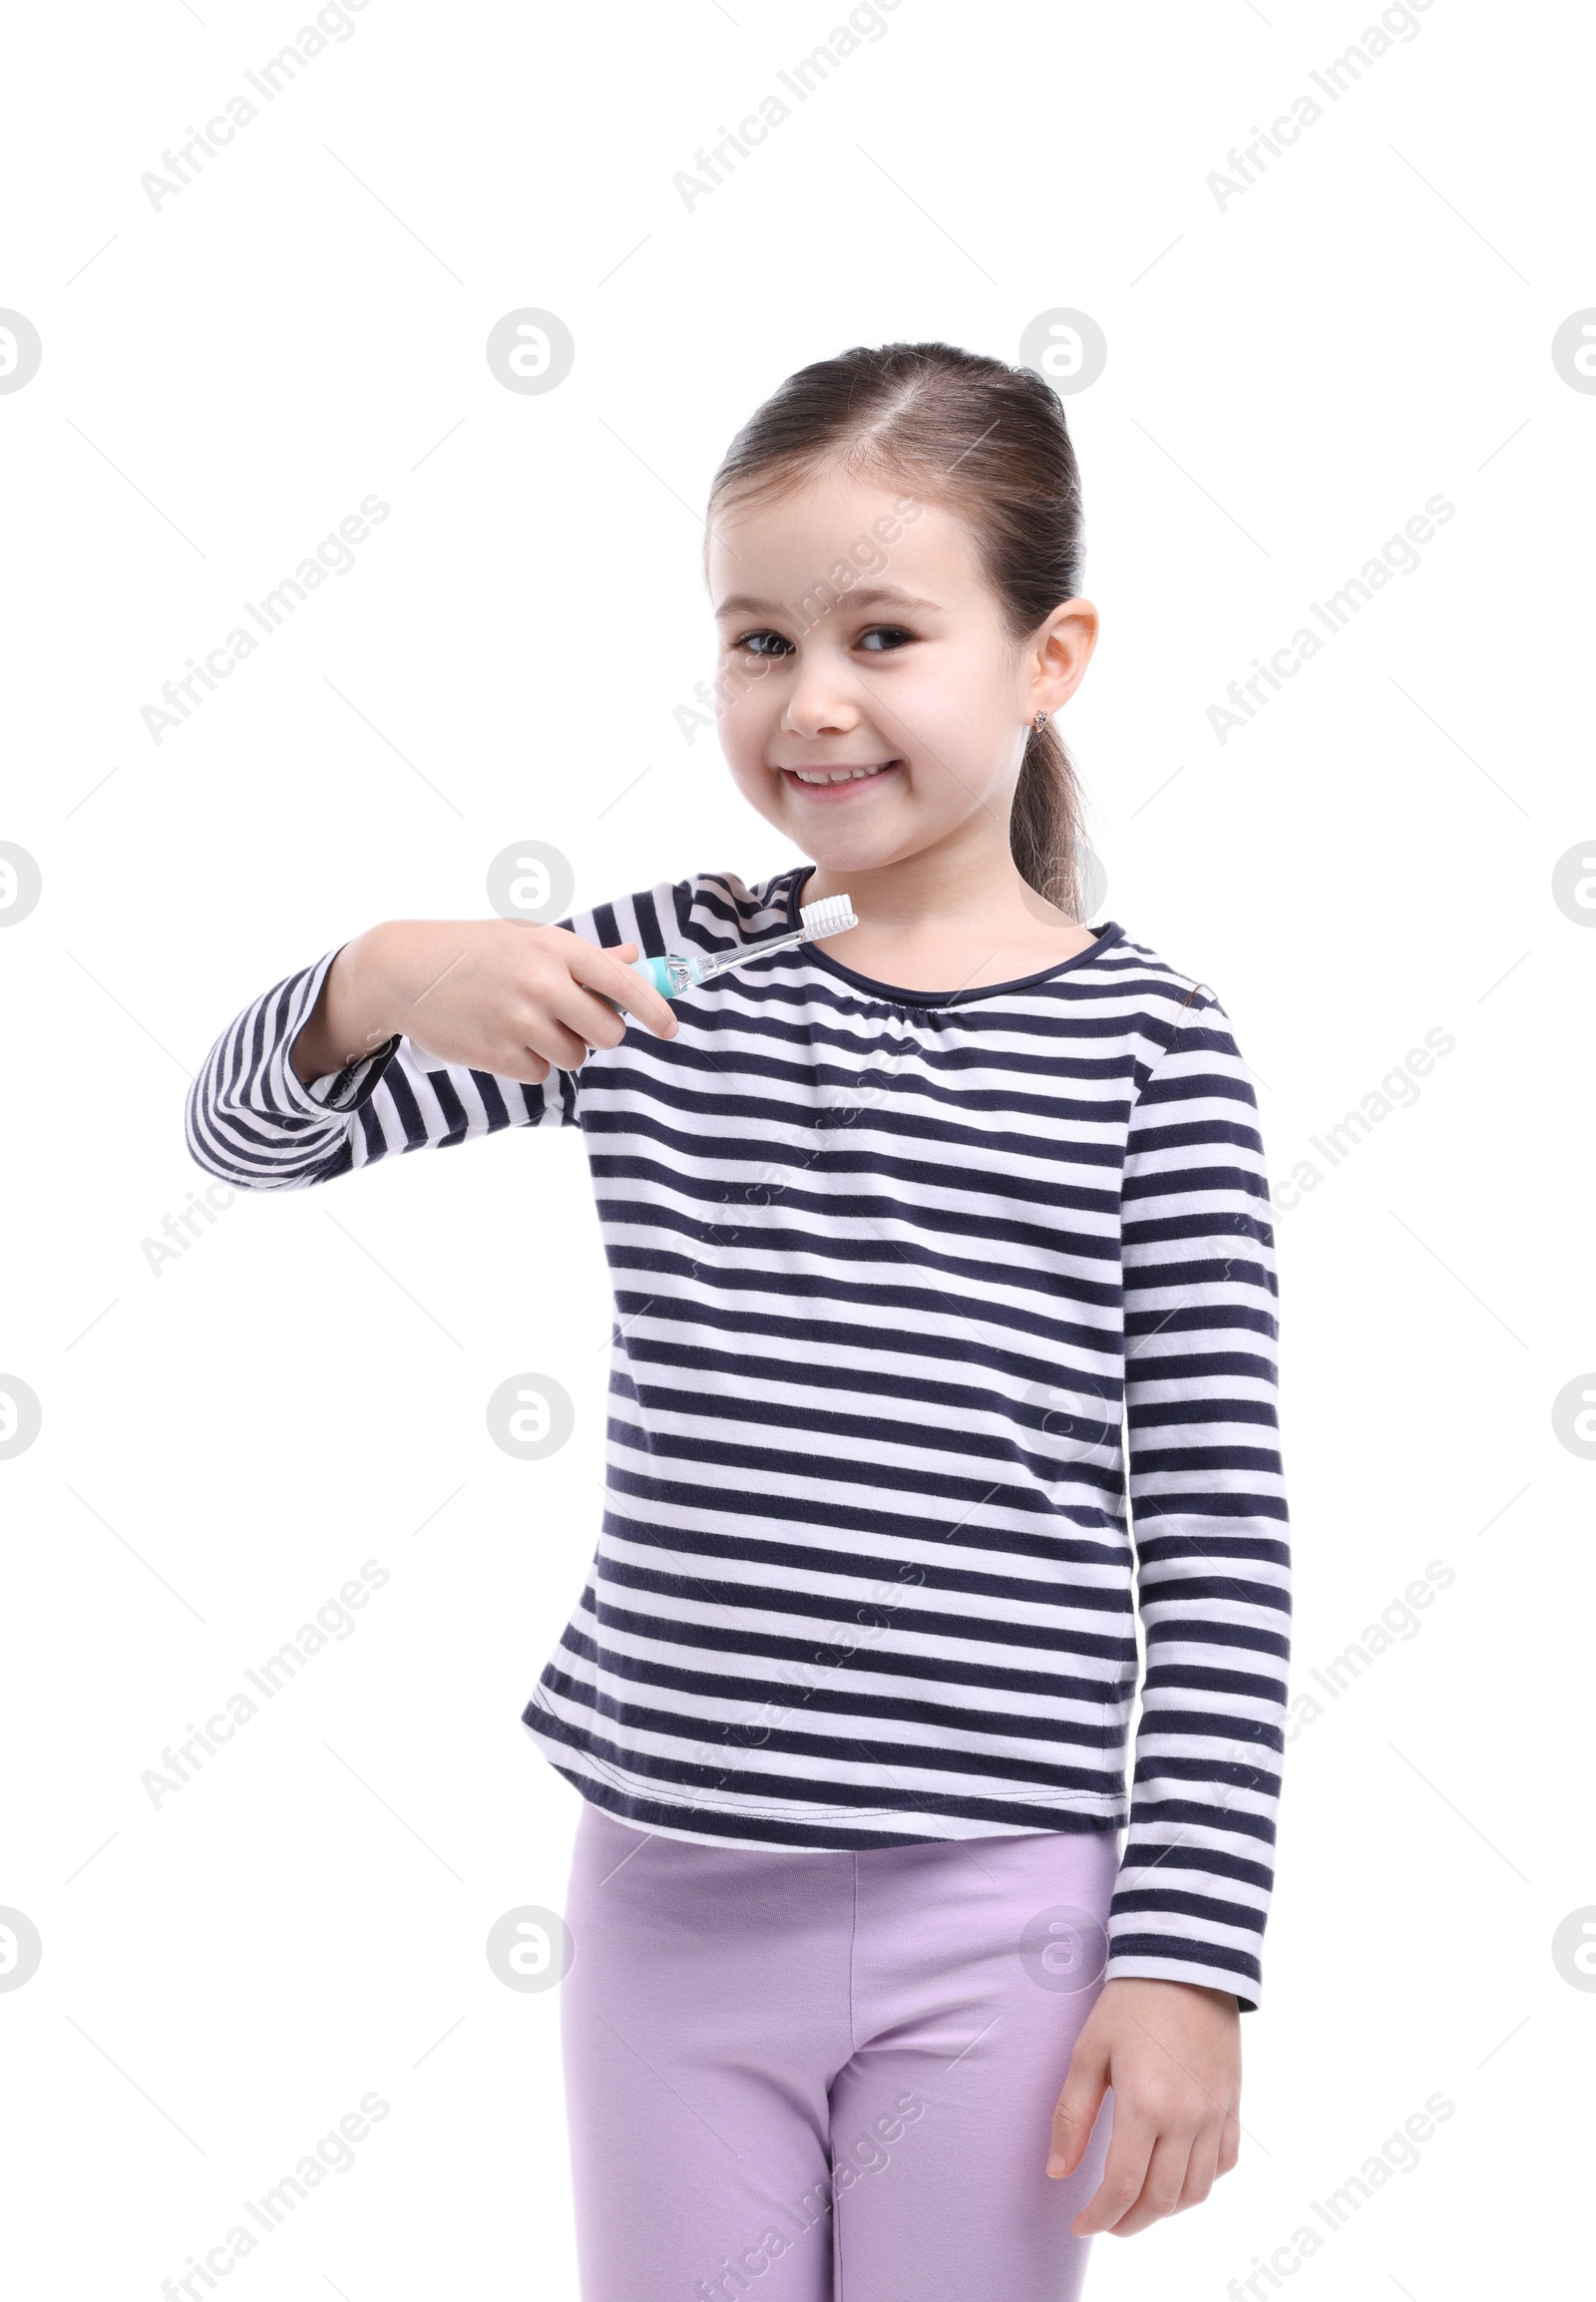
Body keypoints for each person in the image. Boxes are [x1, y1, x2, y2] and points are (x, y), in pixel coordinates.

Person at [187, 340, 1292, 2302]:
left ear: (1048, 656)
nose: (813, 701)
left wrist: (1185, 1960)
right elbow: (254, 1140)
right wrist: (376, 974)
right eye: (757, 640)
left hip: (1007, 1917)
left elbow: (1214, 1535)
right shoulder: (663, 977)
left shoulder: (1150, 1048)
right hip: (669, 1911)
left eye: (881, 633)